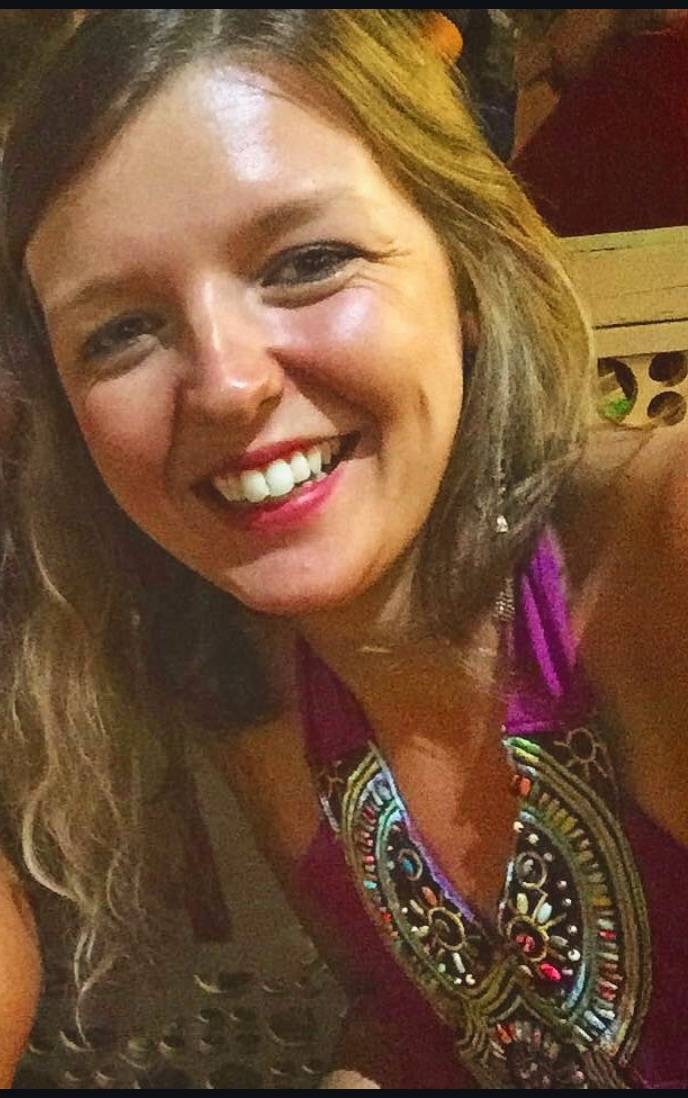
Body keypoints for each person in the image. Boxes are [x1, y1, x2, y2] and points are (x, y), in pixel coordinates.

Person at [0, 8, 686, 1090]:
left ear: (469, 270)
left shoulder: (665, 551)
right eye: (119, 330)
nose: (227, 384)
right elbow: (418, 1016)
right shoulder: (252, 677)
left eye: (308, 261)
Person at [510, 9, 688, 234]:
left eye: (543, 19)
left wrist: (530, 122)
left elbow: (505, 231)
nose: (523, 65)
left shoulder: (627, 94)